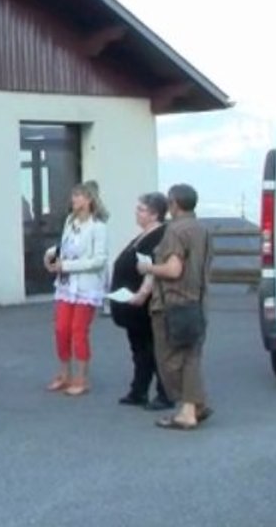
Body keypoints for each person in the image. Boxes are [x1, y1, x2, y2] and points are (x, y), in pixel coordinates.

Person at [132, 183, 214, 430]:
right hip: (198, 301)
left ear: (174, 204)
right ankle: (195, 405)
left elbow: (173, 269)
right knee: (191, 356)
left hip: (172, 302)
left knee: (170, 359)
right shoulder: (202, 229)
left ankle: (187, 410)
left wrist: (148, 268)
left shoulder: (175, 231)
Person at [44, 180, 110, 396]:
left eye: (78, 196)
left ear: (89, 199)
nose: (74, 200)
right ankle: (64, 374)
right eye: (73, 196)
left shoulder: (98, 227)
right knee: (61, 329)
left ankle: (82, 378)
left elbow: (99, 260)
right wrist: (51, 255)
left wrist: (68, 266)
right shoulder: (70, 221)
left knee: (78, 331)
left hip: (86, 287)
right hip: (66, 285)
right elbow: (65, 246)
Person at [109, 192, 173, 410]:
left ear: (155, 214)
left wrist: (142, 294)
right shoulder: (142, 236)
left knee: (153, 348)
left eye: (141, 209)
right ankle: (139, 390)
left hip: (144, 304)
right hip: (130, 304)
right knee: (139, 349)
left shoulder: (159, 236)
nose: (137, 213)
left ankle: (165, 393)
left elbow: (152, 269)